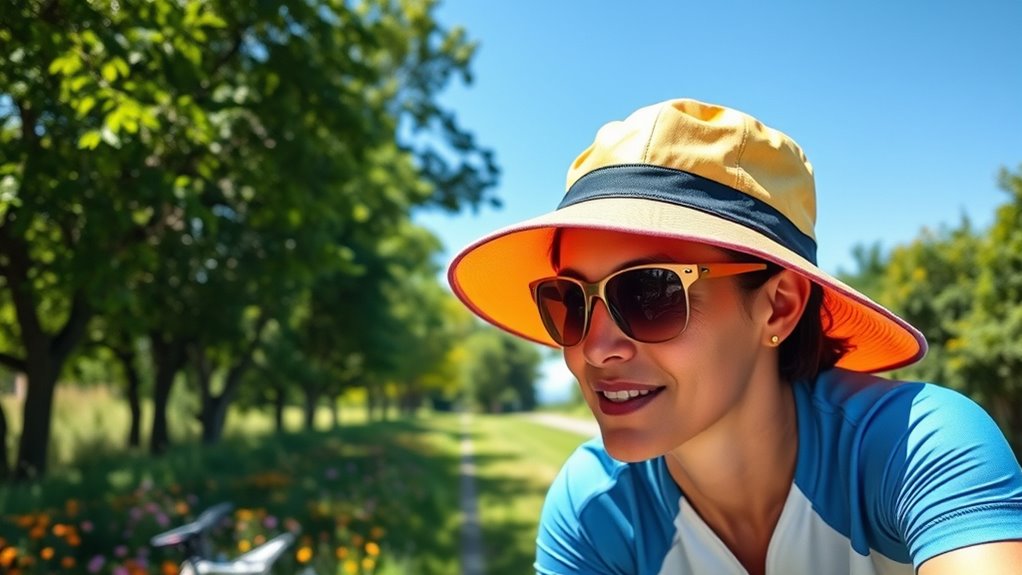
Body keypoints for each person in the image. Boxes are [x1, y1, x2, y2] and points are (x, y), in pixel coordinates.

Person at [447, 98, 1022, 574]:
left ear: (778, 307)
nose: (595, 348)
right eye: (570, 302)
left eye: (650, 294)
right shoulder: (597, 511)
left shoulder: (910, 447)